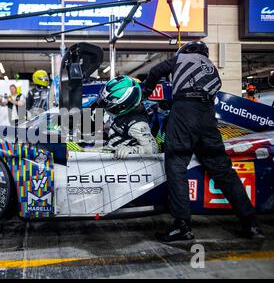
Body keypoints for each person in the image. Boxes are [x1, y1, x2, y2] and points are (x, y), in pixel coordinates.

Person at [142, 40, 263, 241]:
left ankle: (182, 225)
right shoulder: (212, 69)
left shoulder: (181, 58)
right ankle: (250, 223)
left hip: (183, 114)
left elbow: (155, 71)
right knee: (223, 171)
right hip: (207, 116)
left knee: (176, 164)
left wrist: (146, 93)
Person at [96, 75, 158, 159]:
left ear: (123, 105)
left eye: (109, 106)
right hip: (107, 152)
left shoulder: (138, 124)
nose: (106, 108)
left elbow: (153, 150)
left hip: (117, 163)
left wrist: (131, 150)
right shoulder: (121, 114)